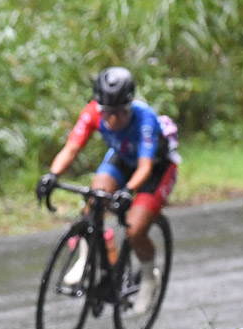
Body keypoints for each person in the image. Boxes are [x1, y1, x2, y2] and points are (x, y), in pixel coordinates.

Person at [37, 67, 180, 314]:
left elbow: (145, 167)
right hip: (123, 158)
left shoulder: (144, 118)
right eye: (106, 113)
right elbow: (71, 149)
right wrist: (53, 175)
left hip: (155, 169)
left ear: (128, 106)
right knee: (94, 201)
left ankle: (149, 276)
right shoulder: (93, 111)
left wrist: (128, 191)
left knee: (135, 229)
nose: (111, 120)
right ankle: (90, 260)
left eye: (118, 113)